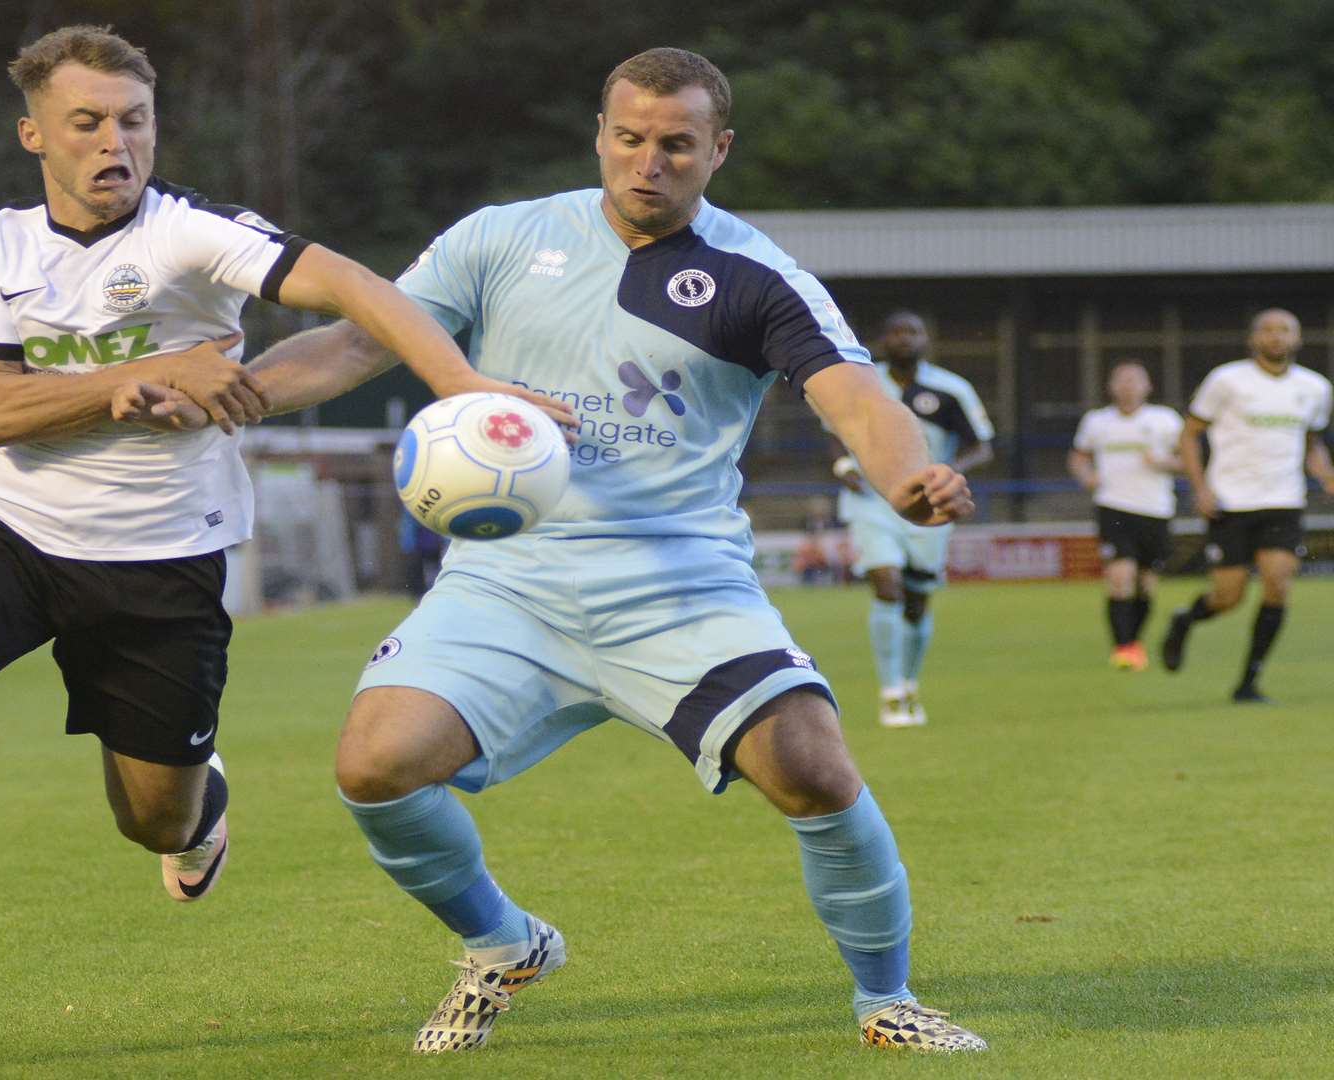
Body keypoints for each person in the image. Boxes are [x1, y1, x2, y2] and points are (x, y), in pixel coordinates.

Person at [0, 25, 562, 1009]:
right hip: (10, 535)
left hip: (161, 564)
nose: (113, 142)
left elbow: (351, 288)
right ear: (33, 134)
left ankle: (201, 809)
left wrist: (459, 382)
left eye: (134, 120)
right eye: (85, 122)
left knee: (153, 823)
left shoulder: (189, 235)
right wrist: (144, 374)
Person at [239, 47, 985, 1054]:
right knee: (376, 765)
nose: (649, 163)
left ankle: (887, 1003)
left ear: (717, 150)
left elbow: (855, 394)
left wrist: (908, 476)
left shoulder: (759, 277)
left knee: (812, 767)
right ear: (600, 135)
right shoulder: (501, 239)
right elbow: (356, 343)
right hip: (508, 581)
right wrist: (235, 390)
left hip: (678, 582)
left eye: (676, 145)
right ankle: (503, 945)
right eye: (629, 139)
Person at [828, 312, 993, 727]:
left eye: (913, 331)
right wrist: (843, 466)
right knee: (887, 586)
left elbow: (982, 446)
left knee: (918, 600)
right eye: (897, 332)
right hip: (871, 500)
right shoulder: (862, 382)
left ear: (926, 340)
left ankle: (909, 679)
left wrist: (950, 470)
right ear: (883, 339)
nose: (904, 339)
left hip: (929, 505)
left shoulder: (951, 389)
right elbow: (833, 428)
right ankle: (891, 694)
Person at [1161, 309, 1333, 702]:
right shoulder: (1226, 380)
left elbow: (1312, 441)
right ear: (1253, 339)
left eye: (1285, 330)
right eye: (1268, 330)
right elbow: (1189, 435)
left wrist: (1325, 474)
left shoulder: (1315, 388)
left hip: (1284, 501)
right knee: (1228, 597)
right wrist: (1200, 487)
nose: (1277, 337)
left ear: (1298, 339)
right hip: (1231, 502)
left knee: (1278, 582)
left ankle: (1248, 682)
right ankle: (1186, 619)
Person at [1069, 361, 1183, 671]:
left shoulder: (1165, 420)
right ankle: (1123, 648)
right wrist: (1086, 475)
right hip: (1113, 507)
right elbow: (1079, 457)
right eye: (1122, 380)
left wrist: (1165, 462)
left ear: (1148, 386)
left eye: (1135, 380)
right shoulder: (1097, 422)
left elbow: (1188, 460)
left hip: (1155, 509)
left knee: (1145, 584)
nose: (1128, 385)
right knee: (1120, 579)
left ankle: (1134, 641)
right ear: (1111, 386)